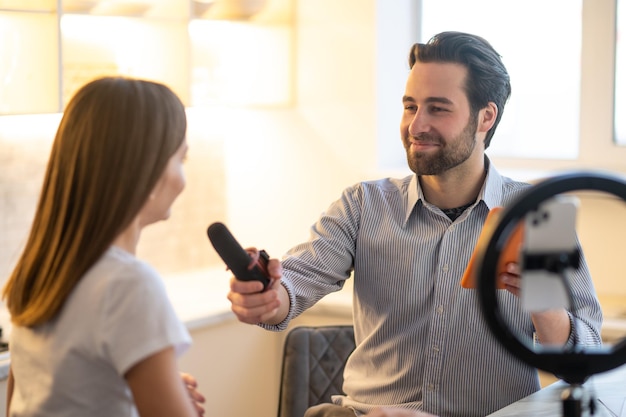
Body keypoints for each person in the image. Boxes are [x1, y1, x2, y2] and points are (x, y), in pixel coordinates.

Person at [226, 31, 603, 417]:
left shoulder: (535, 215)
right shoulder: (362, 205)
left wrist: (543, 306)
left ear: (485, 117)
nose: (416, 125)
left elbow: (587, 359)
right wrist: (267, 296)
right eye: (410, 106)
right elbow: (291, 287)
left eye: (438, 109)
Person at [2, 76, 206, 417]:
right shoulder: (129, 285)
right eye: (180, 160)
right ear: (149, 169)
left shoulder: (43, 269)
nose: (182, 177)